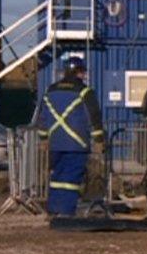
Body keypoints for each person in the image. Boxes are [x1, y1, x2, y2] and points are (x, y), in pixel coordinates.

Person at [34, 56, 104, 216]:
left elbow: (42, 117)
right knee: (70, 180)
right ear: (79, 73)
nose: (84, 75)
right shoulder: (85, 92)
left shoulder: (50, 90)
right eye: (83, 72)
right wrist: (99, 141)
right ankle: (66, 212)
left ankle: (53, 209)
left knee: (57, 177)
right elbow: (94, 117)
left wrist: (43, 138)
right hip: (76, 144)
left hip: (55, 144)